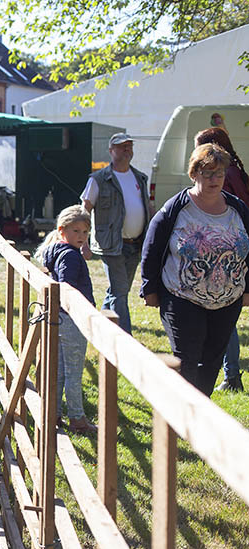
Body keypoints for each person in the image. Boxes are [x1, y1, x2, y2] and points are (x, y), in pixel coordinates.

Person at [140, 143, 249, 396]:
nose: (214, 179)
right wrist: (150, 289)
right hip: (182, 299)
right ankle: (179, 418)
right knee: (186, 361)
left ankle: (199, 417)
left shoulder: (238, 209)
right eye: (208, 173)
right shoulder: (176, 208)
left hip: (227, 302)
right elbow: (152, 249)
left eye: (219, 173)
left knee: (211, 363)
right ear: (194, 174)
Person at [194, 128, 249, 392]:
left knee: (223, 312)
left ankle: (231, 375)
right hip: (236, 247)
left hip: (228, 250)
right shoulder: (237, 172)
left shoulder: (225, 178)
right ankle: (231, 374)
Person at [80, 132, 152, 335]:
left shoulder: (140, 177)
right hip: (111, 244)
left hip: (135, 243)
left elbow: (147, 207)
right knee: (120, 293)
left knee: (118, 291)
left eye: (129, 146)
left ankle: (99, 326)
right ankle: (125, 339)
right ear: (111, 151)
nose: (127, 149)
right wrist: (83, 242)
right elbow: (84, 209)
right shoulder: (99, 179)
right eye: (121, 146)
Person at [36, 205, 98, 434]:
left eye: (85, 232)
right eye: (76, 231)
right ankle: (77, 418)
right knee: (73, 371)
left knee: (60, 369)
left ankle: (54, 412)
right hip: (72, 319)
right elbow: (66, 285)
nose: (81, 237)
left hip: (60, 318)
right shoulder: (71, 256)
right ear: (62, 231)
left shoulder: (55, 249)